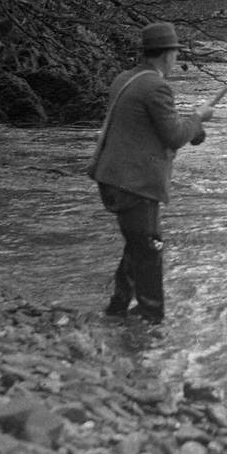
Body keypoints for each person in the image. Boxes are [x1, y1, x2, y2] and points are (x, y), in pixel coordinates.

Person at [88, 21, 213, 322]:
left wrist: (192, 128)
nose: (176, 60)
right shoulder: (156, 86)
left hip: (112, 177)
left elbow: (153, 125)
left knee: (137, 243)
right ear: (167, 54)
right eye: (175, 53)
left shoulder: (126, 78)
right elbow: (172, 136)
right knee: (148, 248)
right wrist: (197, 117)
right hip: (134, 183)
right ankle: (151, 319)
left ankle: (117, 309)